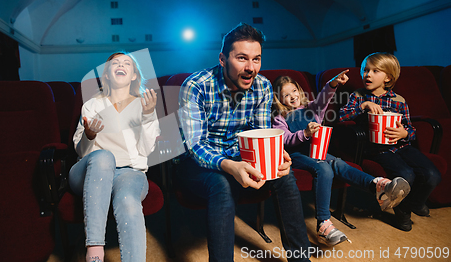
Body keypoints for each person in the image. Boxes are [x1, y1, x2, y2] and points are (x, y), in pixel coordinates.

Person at [176, 23, 311, 262]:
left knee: (285, 176)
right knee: (222, 185)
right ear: (222, 59)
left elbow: (260, 134)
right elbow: (195, 146)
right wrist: (230, 165)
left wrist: (275, 155)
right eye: (241, 58)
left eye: (256, 59)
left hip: (242, 157)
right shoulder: (196, 85)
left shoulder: (263, 86)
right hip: (198, 164)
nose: (251, 68)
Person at [271, 72, 410, 246]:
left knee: (339, 162)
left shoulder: (312, 108)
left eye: (294, 91)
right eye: (286, 95)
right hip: (297, 155)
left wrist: (333, 84)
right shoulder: (280, 117)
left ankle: (379, 185)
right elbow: (285, 140)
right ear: (279, 99)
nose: (292, 97)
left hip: (318, 151)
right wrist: (305, 133)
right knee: (324, 168)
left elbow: (324, 97)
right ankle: (323, 224)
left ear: (299, 90)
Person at [69, 52, 160, 262]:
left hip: (129, 172)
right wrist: (89, 135)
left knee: (128, 201)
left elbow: (146, 151)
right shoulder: (92, 105)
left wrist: (147, 116)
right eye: (115, 63)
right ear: (107, 75)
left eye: (127, 63)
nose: (121, 65)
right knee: (103, 157)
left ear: (134, 75)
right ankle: (94, 253)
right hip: (89, 171)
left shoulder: (144, 105)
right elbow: (81, 152)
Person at [339, 52, 441, 231]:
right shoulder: (358, 96)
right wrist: (362, 107)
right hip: (377, 149)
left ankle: (412, 204)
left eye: (374, 71)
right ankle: (403, 213)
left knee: (432, 174)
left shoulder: (399, 101)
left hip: (402, 147)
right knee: (406, 175)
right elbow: (341, 117)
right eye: (365, 70)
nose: (367, 74)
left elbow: (411, 129)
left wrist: (404, 133)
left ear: (388, 77)